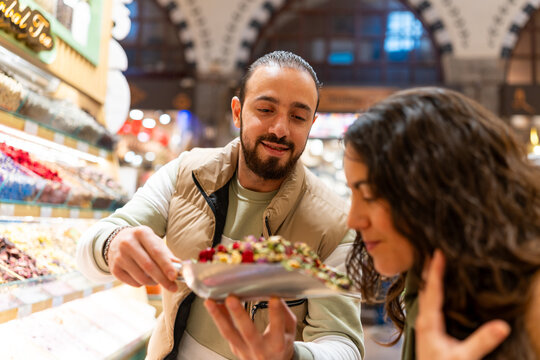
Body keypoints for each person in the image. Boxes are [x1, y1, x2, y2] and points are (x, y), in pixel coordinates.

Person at [76, 51, 364, 360]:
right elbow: (93, 247)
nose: (280, 129)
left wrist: (293, 356)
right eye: (266, 109)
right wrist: (111, 245)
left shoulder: (335, 224)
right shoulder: (186, 173)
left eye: (298, 117)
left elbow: (344, 343)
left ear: (311, 123)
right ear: (237, 112)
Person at [342, 87, 540, 359]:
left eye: (370, 195)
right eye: (352, 193)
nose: (354, 219)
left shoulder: (532, 300)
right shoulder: (424, 283)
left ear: (435, 190)